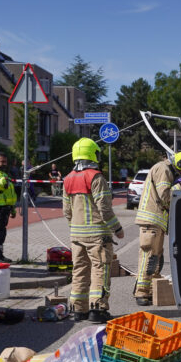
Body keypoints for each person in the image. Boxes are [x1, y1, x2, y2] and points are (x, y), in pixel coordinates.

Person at [63, 138, 124, 322]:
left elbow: (66, 211)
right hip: (98, 235)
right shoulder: (95, 177)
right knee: (100, 270)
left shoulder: (68, 179)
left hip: (76, 235)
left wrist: (75, 228)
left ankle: (78, 309)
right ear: (93, 154)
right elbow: (104, 208)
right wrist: (117, 228)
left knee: (79, 270)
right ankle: (97, 309)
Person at [133, 151, 181, 306]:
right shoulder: (164, 170)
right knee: (149, 257)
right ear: (180, 164)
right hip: (152, 221)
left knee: (155, 258)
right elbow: (165, 197)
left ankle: (150, 290)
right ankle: (141, 292)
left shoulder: (164, 169)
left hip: (155, 222)